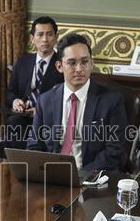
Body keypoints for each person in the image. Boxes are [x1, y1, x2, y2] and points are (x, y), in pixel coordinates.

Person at [28, 33, 128, 172]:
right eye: (72, 63)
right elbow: (34, 146)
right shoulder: (45, 100)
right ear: (59, 66)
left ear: (91, 63)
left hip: (92, 177)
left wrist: (80, 175)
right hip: (52, 175)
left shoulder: (111, 101)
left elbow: (114, 151)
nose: (79, 69)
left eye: (84, 62)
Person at [3, 16, 63, 148]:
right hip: (23, 114)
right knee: (13, 122)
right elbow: (11, 92)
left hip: (48, 119)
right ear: (32, 38)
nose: (45, 39)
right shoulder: (23, 62)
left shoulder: (62, 64)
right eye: (40, 35)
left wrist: (42, 109)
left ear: (56, 37)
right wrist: (15, 101)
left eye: (49, 34)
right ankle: (19, 165)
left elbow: (64, 97)